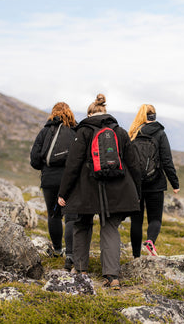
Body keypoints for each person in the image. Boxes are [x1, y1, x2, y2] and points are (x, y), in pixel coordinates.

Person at [57, 94, 140, 288]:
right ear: (106, 112)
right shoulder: (119, 131)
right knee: (110, 228)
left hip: (86, 189)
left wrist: (63, 193)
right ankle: (112, 277)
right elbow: (133, 163)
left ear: (89, 114)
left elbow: (73, 165)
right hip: (117, 188)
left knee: (82, 224)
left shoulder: (83, 131)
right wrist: (136, 190)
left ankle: (80, 268)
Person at [30, 102, 77, 270]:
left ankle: (57, 250)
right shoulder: (74, 132)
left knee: (54, 215)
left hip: (49, 180)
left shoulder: (45, 132)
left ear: (53, 113)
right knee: (71, 216)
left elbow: (34, 160)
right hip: (70, 180)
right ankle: (71, 254)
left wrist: (45, 167)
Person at [128, 104, 180, 258]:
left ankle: (136, 256)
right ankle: (150, 241)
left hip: (136, 184)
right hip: (155, 183)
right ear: (154, 116)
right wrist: (175, 183)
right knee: (155, 218)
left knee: (136, 221)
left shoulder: (133, 133)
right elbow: (166, 161)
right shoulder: (160, 133)